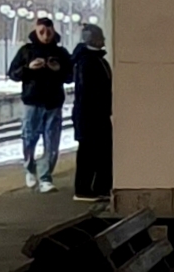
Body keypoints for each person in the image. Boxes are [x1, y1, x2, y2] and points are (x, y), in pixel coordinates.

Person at [6, 17, 71, 191]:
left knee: (52, 142)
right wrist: (29, 69)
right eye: (42, 32)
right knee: (29, 137)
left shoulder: (61, 53)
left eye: (49, 32)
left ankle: (45, 177)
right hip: (32, 102)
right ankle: (29, 169)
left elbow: (70, 76)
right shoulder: (26, 51)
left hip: (53, 102)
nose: (46, 36)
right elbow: (12, 73)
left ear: (53, 31)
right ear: (35, 31)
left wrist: (59, 70)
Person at [68, 24, 115, 202]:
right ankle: (84, 188)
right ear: (92, 39)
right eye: (100, 37)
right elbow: (90, 92)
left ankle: (99, 187)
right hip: (91, 115)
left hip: (94, 114)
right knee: (90, 153)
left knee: (100, 152)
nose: (103, 40)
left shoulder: (92, 60)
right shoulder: (88, 62)